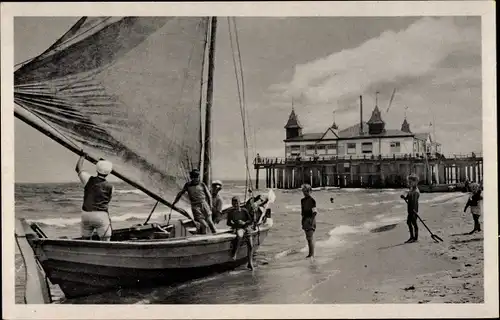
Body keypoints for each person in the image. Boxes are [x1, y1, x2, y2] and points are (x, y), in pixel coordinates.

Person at [75, 153, 114, 241]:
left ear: (97, 169)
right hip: (101, 216)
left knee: (85, 239)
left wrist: (82, 156)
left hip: (86, 214)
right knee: (106, 241)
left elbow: (78, 168)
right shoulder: (111, 187)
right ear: (109, 172)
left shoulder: (88, 179)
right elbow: (107, 201)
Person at [173, 169, 217, 234]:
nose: (196, 179)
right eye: (194, 177)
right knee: (204, 225)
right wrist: (174, 202)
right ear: (191, 177)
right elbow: (180, 194)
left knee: (210, 223)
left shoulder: (202, 184)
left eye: (197, 177)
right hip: (195, 206)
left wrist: (210, 206)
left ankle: (216, 236)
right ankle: (204, 239)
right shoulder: (188, 185)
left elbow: (209, 196)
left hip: (204, 204)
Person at [226, 196, 254, 270]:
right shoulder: (231, 212)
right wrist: (235, 224)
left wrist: (244, 222)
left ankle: (250, 262)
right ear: (232, 204)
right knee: (239, 235)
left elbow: (250, 220)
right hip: (239, 228)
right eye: (233, 203)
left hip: (246, 227)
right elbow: (228, 223)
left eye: (236, 203)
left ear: (239, 203)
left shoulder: (244, 210)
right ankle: (235, 253)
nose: (235, 205)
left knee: (250, 245)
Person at [400, 174, 420, 243]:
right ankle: (412, 237)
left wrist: (414, 211)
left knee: (414, 223)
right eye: (409, 182)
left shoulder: (416, 192)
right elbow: (408, 198)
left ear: (416, 182)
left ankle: (415, 238)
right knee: (409, 222)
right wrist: (404, 197)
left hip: (413, 210)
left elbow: (414, 202)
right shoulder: (411, 190)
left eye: (410, 182)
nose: (409, 183)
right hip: (410, 209)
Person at [301, 184, 317, 258]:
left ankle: (311, 254)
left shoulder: (312, 200)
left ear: (310, 191)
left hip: (311, 219)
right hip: (305, 219)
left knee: (310, 238)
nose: (305, 193)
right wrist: (302, 220)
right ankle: (310, 254)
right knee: (308, 238)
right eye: (304, 191)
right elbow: (302, 212)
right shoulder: (302, 200)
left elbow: (314, 212)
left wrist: (312, 220)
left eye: (306, 191)